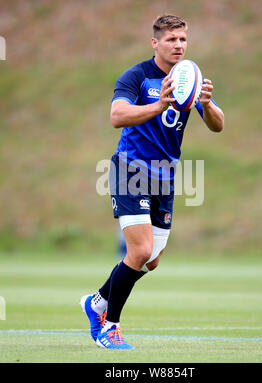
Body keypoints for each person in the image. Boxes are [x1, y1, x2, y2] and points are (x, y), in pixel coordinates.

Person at [80, 14, 224, 349]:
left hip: (165, 176)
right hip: (130, 169)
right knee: (140, 249)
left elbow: (218, 124)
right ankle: (109, 327)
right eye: (171, 39)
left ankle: (97, 302)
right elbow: (117, 116)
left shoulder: (189, 77)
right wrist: (158, 105)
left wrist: (206, 105)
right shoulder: (138, 76)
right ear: (155, 42)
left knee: (152, 259)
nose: (178, 46)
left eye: (183, 40)